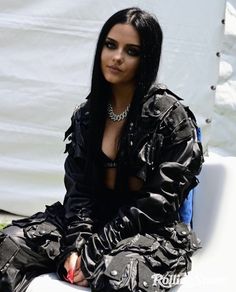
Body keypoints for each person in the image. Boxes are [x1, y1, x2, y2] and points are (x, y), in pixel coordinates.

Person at [0, 7, 204, 292]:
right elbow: (79, 189)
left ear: (147, 58)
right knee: (9, 245)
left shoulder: (171, 118)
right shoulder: (87, 114)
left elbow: (158, 203)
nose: (117, 57)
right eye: (110, 45)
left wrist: (93, 251)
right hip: (90, 224)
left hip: (146, 232)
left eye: (131, 51)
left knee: (120, 276)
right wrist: (76, 246)